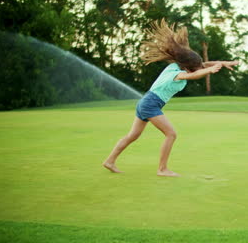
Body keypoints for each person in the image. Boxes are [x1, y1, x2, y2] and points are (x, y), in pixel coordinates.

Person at [102, 19, 238, 177]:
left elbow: (201, 65)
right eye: (198, 67)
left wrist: (221, 63)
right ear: (187, 66)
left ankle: (109, 161)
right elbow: (195, 74)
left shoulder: (176, 66)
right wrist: (209, 71)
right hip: (150, 104)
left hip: (146, 102)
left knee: (133, 135)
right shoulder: (177, 74)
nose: (202, 68)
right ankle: (162, 169)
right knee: (171, 134)